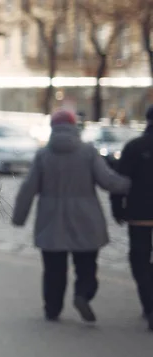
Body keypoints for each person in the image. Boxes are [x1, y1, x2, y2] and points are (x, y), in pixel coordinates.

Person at [12, 110, 130, 323]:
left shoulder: (44, 155)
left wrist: (19, 217)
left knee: (53, 271)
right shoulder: (87, 152)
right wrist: (132, 185)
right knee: (87, 266)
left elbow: (28, 188)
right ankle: (82, 294)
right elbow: (107, 181)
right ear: (75, 126)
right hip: (86, 219)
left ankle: (52, 309)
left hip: (51, 222)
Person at [111, 105, 153, 332]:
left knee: (140, 260)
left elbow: (120, 182)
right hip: (140, 214)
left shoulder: (134, 147)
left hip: (140, 215)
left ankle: (149, 305)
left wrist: (118, 209)